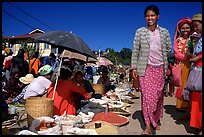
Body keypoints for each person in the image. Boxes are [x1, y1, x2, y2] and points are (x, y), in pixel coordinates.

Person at [131, 5, 172, 135]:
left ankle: (156, 118)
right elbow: (135, 50)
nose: (150, 18)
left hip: (160, 68)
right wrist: (134, 67)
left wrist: (161, 54)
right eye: (147, 15)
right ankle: (148, 126)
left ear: (157, 16)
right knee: (147, 97)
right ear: (145, 17)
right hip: (145, 68)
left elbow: (169, 48)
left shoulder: (164, 32)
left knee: (158, 96)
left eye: (152, 15)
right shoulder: (140, 32)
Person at [173, 18, 193, 113]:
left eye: (187, 28)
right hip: (181, 64)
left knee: (190, 85)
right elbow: (176, 53)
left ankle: (190, 107)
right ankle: (181, 106)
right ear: (179, 30)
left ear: (190, 28)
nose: (185, 30)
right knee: (182, 84)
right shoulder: (177, 41)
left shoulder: (193, 39)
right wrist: (185, 58)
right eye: (183, 28)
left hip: (191, 65)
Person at [189, 13, 202, 131]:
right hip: (197, 69)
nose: (195, 28)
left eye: (196, 26)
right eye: (193, 26)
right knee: (196, 96)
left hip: (200, 69)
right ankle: (196, 123)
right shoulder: (198, 39)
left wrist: (198, 58)